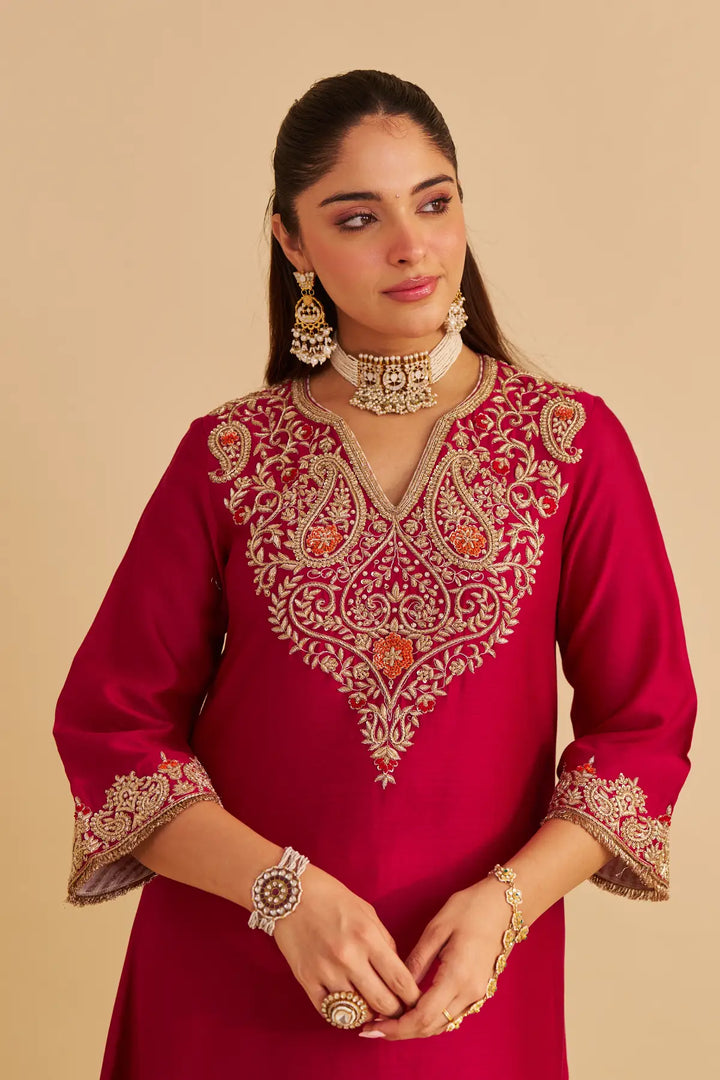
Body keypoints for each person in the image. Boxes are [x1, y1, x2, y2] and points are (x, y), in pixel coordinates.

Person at [53, 69, 697, 1079]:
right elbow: (112, 728)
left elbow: (645, 727)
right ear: (292, 243)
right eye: (359, 217)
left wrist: (508, 905)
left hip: (467, 983)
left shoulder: (570, 443)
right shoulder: (230, 454)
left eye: (435, 201)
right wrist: (284, 894)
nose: (412, 245)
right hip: (232, 976)